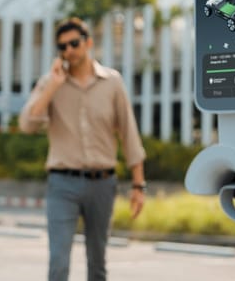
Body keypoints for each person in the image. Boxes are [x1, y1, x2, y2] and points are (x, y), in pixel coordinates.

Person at [19, 17, 147, 281]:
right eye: (62, 47)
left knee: (97, 263)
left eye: (74, 43)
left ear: (88, 43)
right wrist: (52, 87)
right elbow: (27, 125)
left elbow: (129, 132)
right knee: (58, 263)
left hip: (103, 184)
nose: (68, 51)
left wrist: (138, 185)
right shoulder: (50, 82)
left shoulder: (112, 82)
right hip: (62, 184)